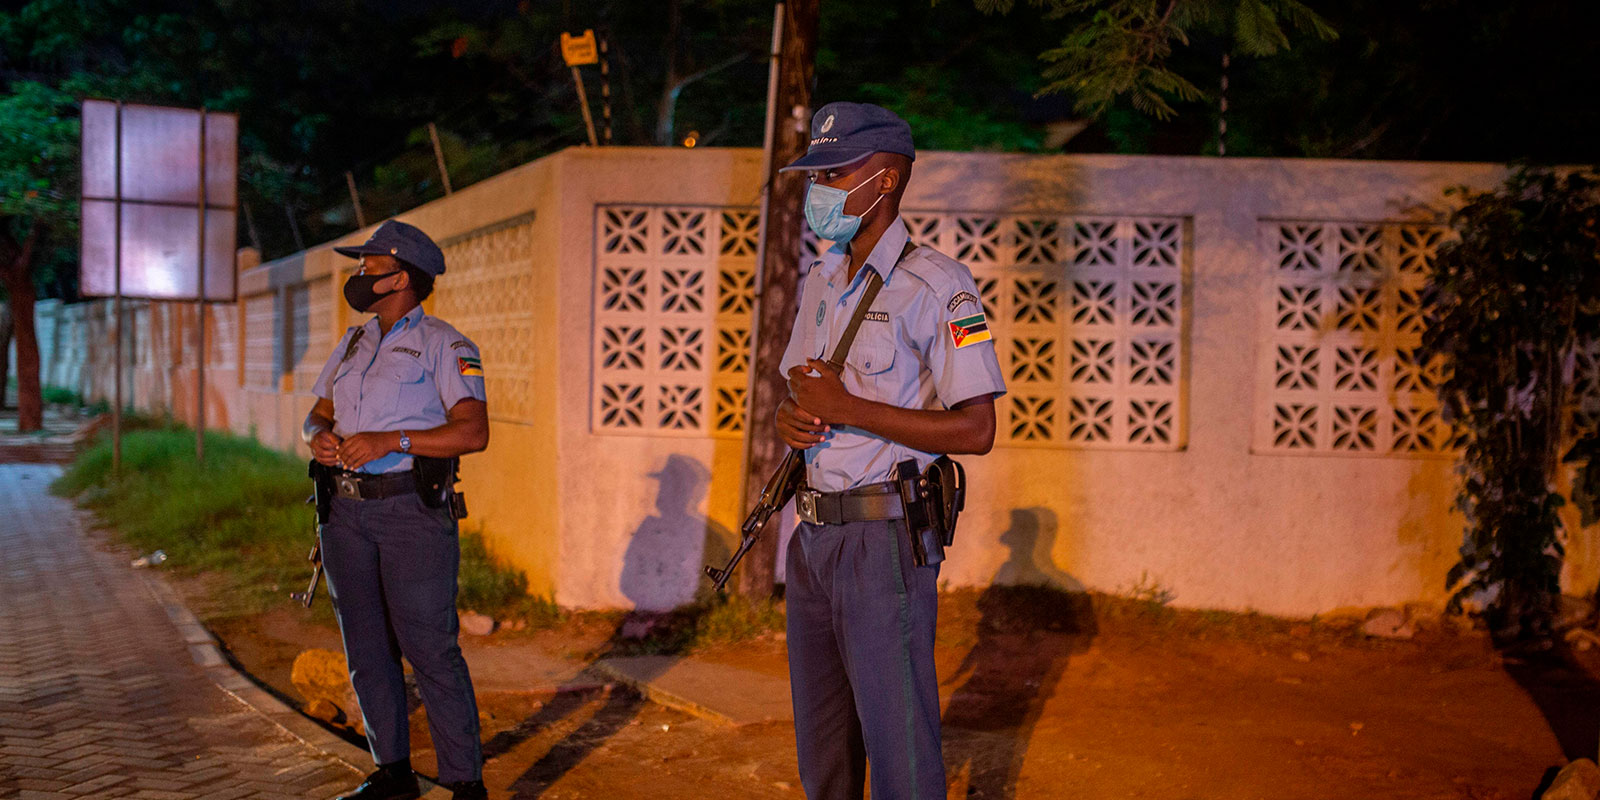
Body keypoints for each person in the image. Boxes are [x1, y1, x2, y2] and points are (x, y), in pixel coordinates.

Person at [774, 102, 1006, 800]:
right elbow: (799, 382)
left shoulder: (937, 285)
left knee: (898, 747)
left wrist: (850, 410)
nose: (820, 191)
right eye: (815, 174)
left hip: (883, 542)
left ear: (887, 178)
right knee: (825, 751)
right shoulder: (822, 278)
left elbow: (976, 429)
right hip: (812, 537)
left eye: (835, 173)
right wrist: (793, 417)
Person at [302, 219, 490, 800]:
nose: (358, 277)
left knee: (430, 648)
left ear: (400, 277)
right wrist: (317, 437)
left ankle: (465, 784)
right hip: (345, 515)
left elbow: (473, 432)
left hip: (410, 514)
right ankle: (393, 772)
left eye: (368, 267)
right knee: (365, 646)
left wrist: (393, 440)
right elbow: (318, 413)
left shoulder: (446, 345)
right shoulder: (354, 342)